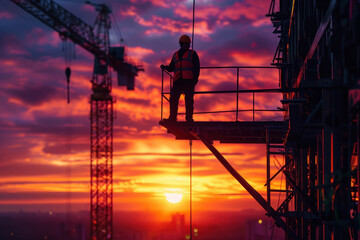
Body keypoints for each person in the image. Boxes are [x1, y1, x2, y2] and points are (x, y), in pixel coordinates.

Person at [161, 34, 200, 122]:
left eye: (188, 44)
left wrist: (195, 80)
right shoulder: (175, 55)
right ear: (181, 44)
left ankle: (189, 118)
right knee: (174, 99)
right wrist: (165, 67)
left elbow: (197, 67)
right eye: (186, 44)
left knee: (189, 100)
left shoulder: (193, 54)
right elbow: (172, 67)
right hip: (178, 81)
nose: (187, 46)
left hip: (189, 81)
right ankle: (172, 118)